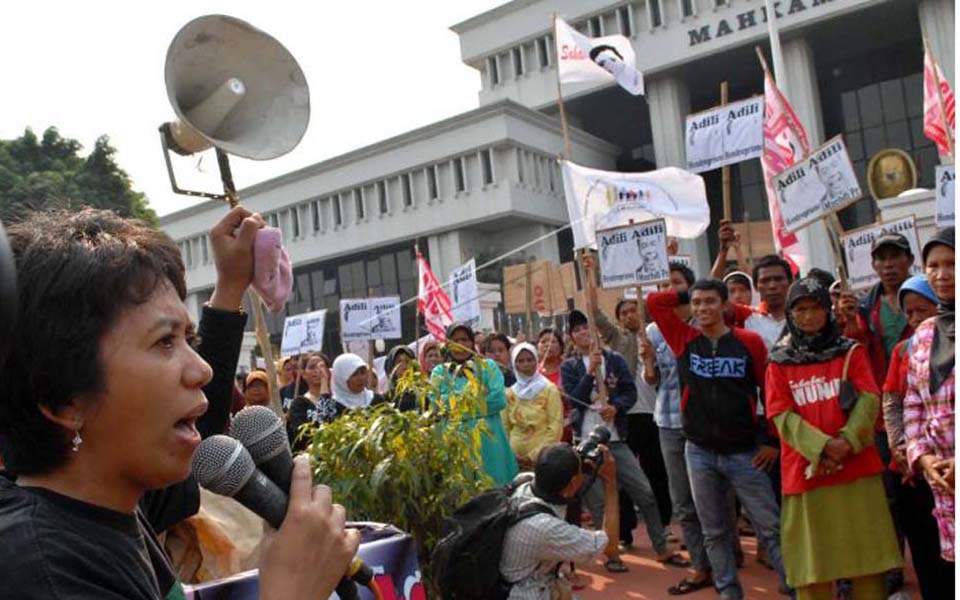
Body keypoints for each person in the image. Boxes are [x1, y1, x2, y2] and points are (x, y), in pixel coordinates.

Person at [0, 206, 359, 600]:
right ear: (64, 399)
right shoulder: (42, 575)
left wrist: (231, 285)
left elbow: (200, 433)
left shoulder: (115, 496)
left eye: (190, 339)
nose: (202, 369)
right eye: (165, 342)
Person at [647, 280, 787, 599]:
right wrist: (687, 291)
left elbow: (770, 392)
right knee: (714, 532)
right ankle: (727, 591)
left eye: (710, 301)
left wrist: (771, 440)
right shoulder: (684, 339)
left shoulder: (749, 342)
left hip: (745, 453)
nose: (701, 308)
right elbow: (656, 303)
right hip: (699, 452)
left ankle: (794, 587)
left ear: (725, 306)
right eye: (695, 303)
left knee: (771, 528)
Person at [766, 276, 902, 599]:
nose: (809, 316)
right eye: (801, 309)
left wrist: (847, 442)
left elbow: (870, 398)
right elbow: (781, 415)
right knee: (812, 571)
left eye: (816, 308)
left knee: (866, 561)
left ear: (828, 311)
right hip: (806, 474)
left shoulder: (850, 351)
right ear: (790, 314)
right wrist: (823, 448)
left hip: (855, 470)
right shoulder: (778, 362)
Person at [560, 309, 681, 572]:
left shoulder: (613, 360)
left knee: (645, 493)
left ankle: (661, 547)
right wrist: (590, 373)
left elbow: (629, 391)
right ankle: (611, 553)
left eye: (587, 328)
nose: (583, 334)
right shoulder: (569, 366)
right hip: (585, 444)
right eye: (578, 330)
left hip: (615, 440)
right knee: (600, 505)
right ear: (571, 337)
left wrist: (616, 407)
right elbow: (573, 398)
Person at [881, 274, 954, 597]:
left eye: (922, 309)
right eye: (908, 313)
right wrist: (906, 449)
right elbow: (898, 400)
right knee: (928, 553)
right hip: (919, 470)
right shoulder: (906, 348)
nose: (916, 319)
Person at [645, 262, 713, 595]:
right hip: (668, 422)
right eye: (665, 285)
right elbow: (652, 379)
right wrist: (646, 364)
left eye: (675, 285)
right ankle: (701, 566)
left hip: (704, 424)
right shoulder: (655, 331)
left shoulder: (707, 326)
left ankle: (724, 559)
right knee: (684, 503)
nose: (667, 292)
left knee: (715, 499)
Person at [500, 443, 620, 600]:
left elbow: (555, 468)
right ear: (572, 483)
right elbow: (610, 546)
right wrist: (610, 482)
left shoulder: (523, 482)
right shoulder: (546, 528)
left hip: (514, 581)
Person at [904, 227, 955, 564]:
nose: (941, 275)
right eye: (932, 266)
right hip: (945, 484)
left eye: (952, 263)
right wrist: (922, 457)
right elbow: (913, 402)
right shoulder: (924, 333)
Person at [431, 323, 518, 487]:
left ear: (472, 343)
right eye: (455, 340)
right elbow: (437, 406)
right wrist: (479, 399)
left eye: (464, 339)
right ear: (448, 344)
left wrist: (454, 403)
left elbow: (498, 400)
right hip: (455, 444)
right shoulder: (439, 373)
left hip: (489, 445)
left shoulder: (488, 367)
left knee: (494, 493)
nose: (460, 344)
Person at [502, 343, 563, 470]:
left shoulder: (549, 389)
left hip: (543, 458)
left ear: (537, 361)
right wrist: (510, 454)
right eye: (520, 361)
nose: (526, 364)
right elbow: (505, 427)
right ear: (514, 364)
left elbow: (555, 427)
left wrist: (533, 456)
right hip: (514, 459)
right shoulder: (509, 393)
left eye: (530, 360)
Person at [537, 327, 570, 442]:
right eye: (543, 342)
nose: (547, 345)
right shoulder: (533, 372)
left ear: (561, 346)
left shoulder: (569, 368)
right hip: (539, 429)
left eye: (552, 341)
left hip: (566, 427)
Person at [384, 345, 419, 411]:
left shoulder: (421, 394)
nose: (404, 366)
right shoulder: (385, 398)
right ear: (392, 367)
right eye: (399, 362)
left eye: (407, 361)